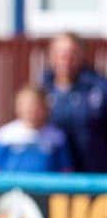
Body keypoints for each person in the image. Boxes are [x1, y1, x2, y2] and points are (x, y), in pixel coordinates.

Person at [41, 32, 107, 173]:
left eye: (72, 53)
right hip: (54, 176)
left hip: (94, 175)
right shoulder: (42, 90)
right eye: (60, 53)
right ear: (51, 56)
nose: (66, 59)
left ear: (82, 55)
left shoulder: (99, 88)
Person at [0, 85, 72, 173]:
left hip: (45, 186)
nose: (31, 110)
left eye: (35, 105)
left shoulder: (56, 136)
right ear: (18, 107)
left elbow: (65, 169)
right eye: (27, 106)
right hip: (13, 186)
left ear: (45, 107)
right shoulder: (5, 135)